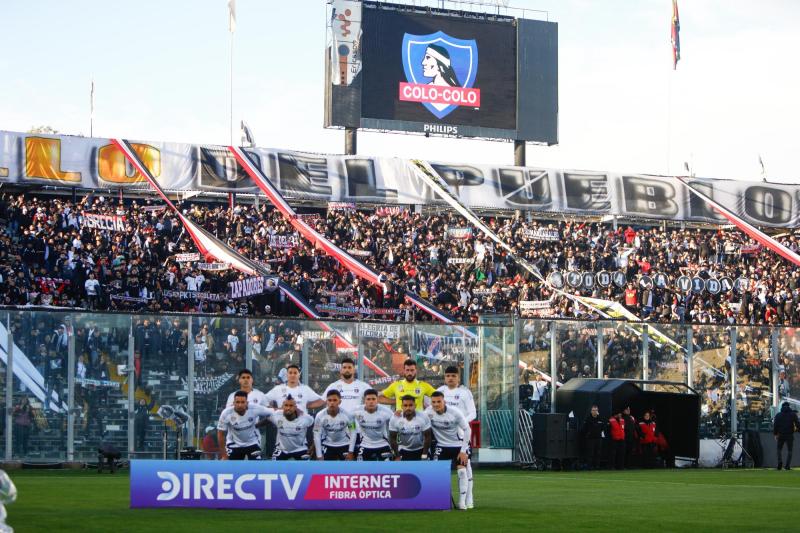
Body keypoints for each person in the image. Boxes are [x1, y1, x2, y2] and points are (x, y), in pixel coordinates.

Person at [425, 391, 472, 510]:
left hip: (458, 445)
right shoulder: (428, 412)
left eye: (438, 402)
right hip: (441, 446)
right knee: (436, 473)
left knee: (462, 472)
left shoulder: (455, 412)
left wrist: (463, 450)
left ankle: (462, 503)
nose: (436, 404)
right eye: (433, 402)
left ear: (444, 401)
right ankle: (441, 500)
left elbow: (467, 430)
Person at [437, 365, 476, 504]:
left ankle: (468, 498)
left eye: (453, 376)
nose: (450, 378)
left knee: (466, 466)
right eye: (448, 376)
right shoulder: (439, 391)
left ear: (458, 378)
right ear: (444, 378)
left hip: (461, 433)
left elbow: (473, 413)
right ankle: (443, 497)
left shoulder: (465, 392)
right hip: (444, 436)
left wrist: (461, 422)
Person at [217, 390, 275, 460]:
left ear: (247, 403)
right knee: (231, 468)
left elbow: (273, 413)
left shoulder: (255, 408)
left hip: (252, 443)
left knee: (256, 467)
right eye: (237, 402)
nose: (240, 405)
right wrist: (224, 455)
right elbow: (220, 434)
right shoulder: (226, 413)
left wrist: (259, 424)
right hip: (234, 444)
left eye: (242, 402)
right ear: (233, 403)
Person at [351, 389, 395, 461]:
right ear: (364, 400)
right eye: (368, 399)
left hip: (383, 444)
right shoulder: (356, 411)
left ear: (377, 400)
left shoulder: (386, 412)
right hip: (365, 445)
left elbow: (396, 426)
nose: (371, 402)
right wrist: (352, 426)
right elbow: (350, 424)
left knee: (387, 470)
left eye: (373, 399)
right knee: (362, 470)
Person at [268, 395, 315, 460]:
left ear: (295, 407)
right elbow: (267, 418)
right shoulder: (276, 415)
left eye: (291, 406)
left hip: (300, 449)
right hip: (281, 449)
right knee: (274, 467)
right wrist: (256, 425)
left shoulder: (305, 418)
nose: (288, 408)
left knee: (306, 468)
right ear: (282, 407)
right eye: (286, 405)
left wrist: (313, 446)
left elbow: (317, 428)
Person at [313, 390, 354, 461]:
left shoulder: (348, 415)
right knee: (323, 468)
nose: (332, 403)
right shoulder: (319, 416)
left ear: (339, 402)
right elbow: (317, 435)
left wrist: (351, 452)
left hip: (344, 444)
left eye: (335, 400)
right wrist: (319, 455)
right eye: (329, 400)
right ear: (326, 401)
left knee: (348, 468)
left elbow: (353, 432)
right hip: (327, 444)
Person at [389, 395, 431, 461]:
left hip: (421, 448)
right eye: (405, 405)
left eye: (411, 405)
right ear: (401, 406)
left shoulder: (423, 417)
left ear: (415, 406)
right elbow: (392, 438)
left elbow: (428, 436)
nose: (408, 408)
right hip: (403, 449)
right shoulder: (395, 418)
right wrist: (397, 456)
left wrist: (424, 454)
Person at [773, 401, 800, 470]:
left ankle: (780, 462)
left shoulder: (778, 415)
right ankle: (787, 466)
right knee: (790, 450)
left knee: (779, 450)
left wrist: (775, 434)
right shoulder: (793, 414)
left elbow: (775, 425)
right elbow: (797, 424)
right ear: (789, 406)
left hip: (781, 434)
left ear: (782, 407)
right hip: (789, 435)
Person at [580, 405, 606, 470]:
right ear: (591, 411)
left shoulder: (600, 418)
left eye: (596, 410)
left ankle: (597, 466)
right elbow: (584, 429)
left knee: (598, 453)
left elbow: (603, 427)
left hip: (598, 438)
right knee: (590, 453)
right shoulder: (588, 419)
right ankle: (589, 466)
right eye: (593, 410)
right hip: (590, 439)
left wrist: (599, 417)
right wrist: (588, 434)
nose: (595, 412)